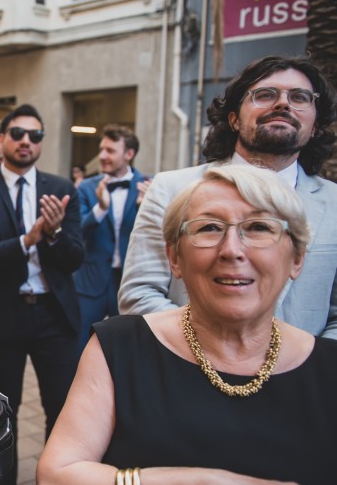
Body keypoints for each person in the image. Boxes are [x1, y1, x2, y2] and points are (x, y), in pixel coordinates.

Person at [36, 165, 337, 485]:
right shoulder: (120, 348)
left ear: (297, 258)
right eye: (209, 228)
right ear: (174, 258)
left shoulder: (329, 369)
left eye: (259, 227)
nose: (232, 250)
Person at [119, 55, 337, 339]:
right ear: (234, 119)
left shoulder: (333, 203)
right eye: (265, 95)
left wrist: (297, 360)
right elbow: (139, 294)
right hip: (186, 363)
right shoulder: (170, 188)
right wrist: (218, 353)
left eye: (299, 97)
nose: (283, 104)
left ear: (315, 125)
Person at [0, 104, 84, 448]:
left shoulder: (60, 189)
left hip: (53, 314)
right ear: (2, 139)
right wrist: (26, 241)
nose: (26, 140)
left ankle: (57, 475)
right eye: (18, 133)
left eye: (35, 135)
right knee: (2, 413)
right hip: (2, 314)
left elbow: (75, 258)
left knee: (62, 409)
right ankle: (5, 483)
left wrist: (55, 233)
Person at [73, 125, 149, 349]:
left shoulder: (149, 185)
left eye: (110, 150)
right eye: (101, 150)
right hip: (91, 280)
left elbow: (160, 235)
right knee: (81, 344)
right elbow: (77, 231)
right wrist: (100, 209)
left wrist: (144, 207)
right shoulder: (86, 187)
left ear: (129, 154)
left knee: (127, 345)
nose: (103, 156)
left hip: (130, 279)